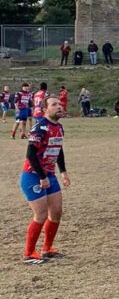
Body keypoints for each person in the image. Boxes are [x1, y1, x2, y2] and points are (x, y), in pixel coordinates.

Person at [19, 96, 70, 263]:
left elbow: (58, 150)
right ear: (45, 109)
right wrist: (42, 177)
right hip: (33, 176)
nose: (59, 106)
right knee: (40, 214)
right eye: (54, 104)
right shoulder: (40, 127)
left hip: (49, 175)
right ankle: (29, 254)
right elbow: (31, 154)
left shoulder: (59, 127)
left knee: (56, 213)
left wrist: (63, 172)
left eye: (60, 104)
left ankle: (47, 248)